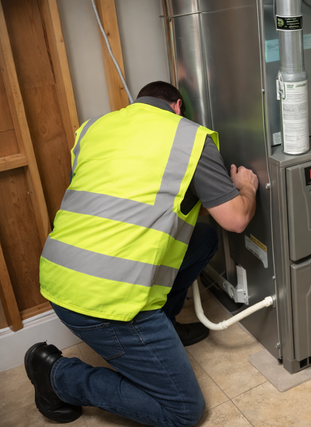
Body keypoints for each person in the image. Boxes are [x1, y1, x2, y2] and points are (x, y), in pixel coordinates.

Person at [24, 81, 259, 426]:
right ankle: (57, 376)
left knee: (203, 238)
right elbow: (236, 219)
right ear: (178, 107)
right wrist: (246, 188)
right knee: (183, 411)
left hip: (61, 279)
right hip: (108, 301)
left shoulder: (95, 128)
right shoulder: (189, 137)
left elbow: (131, 203)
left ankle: (166, 326)